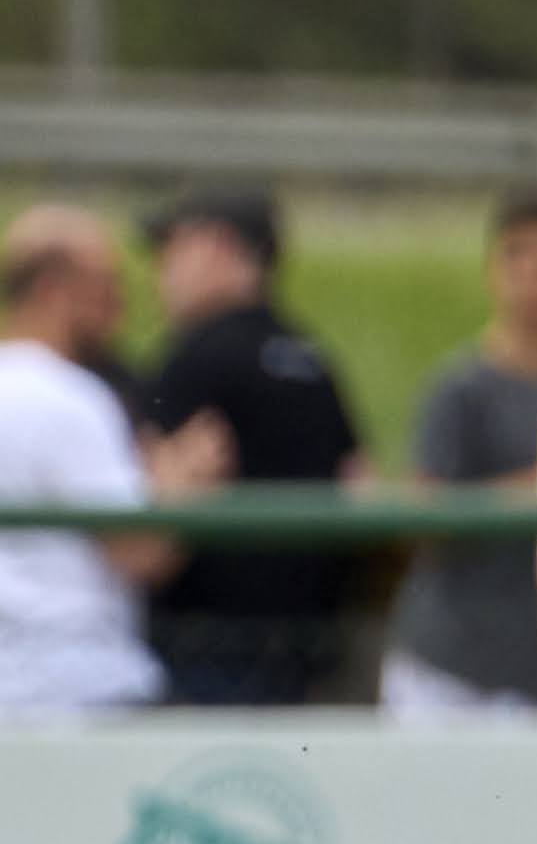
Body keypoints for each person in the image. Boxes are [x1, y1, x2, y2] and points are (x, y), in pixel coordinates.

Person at [136, 186, 371, 703]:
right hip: (311, 651)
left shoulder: (193, 358)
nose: (161, 270)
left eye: (172, 248)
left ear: (217, 247)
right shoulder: (311, 357)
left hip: (205, 647)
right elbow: (359, 479)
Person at [0, 206, 221, 713]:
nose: (118, 308)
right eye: (104, 287)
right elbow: (139, 553)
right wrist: (181, 480)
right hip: (78, 685)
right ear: (52, 288)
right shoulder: (72, 397)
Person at [383, 188, 537, 722]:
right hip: (457, 664)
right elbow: (425, 520)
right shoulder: (460, 389)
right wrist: (536, 490)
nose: (536, 278)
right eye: (519, 257)